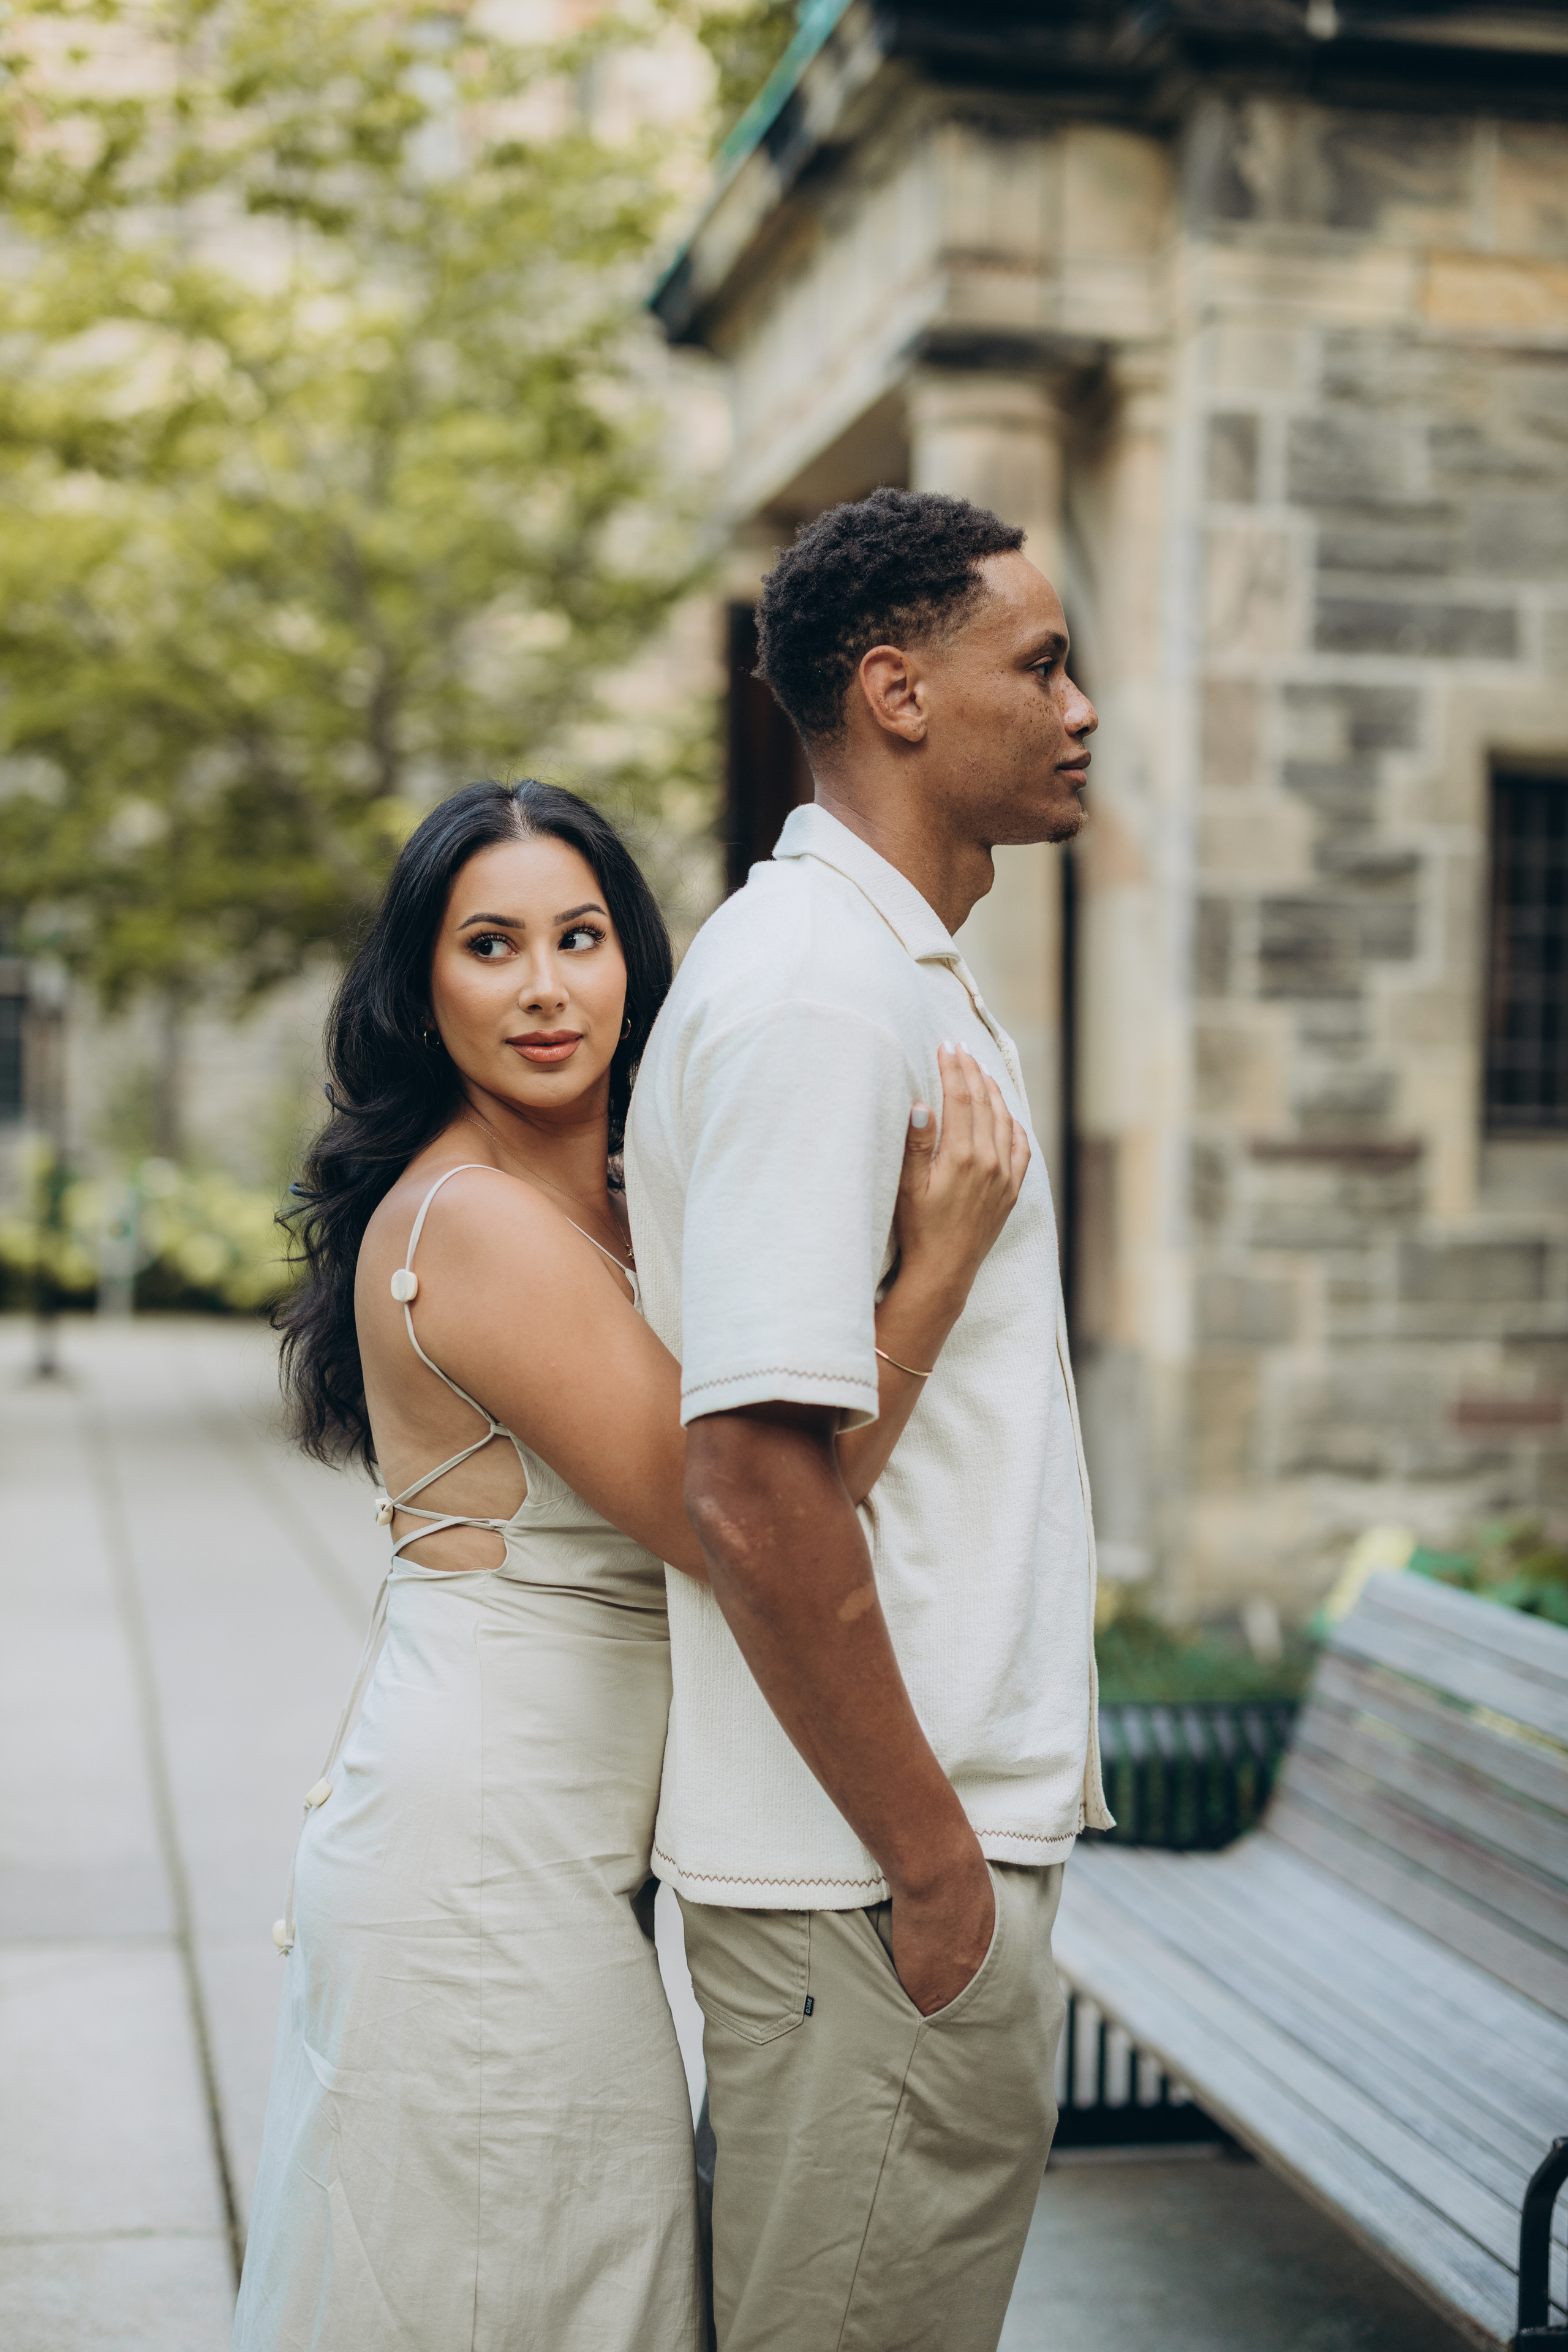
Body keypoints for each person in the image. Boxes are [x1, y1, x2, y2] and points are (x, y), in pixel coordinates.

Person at [233, 776, 1030, 2351]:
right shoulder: (469, 1220)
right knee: (530, 2293)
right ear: (420, 986)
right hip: (482, 1862)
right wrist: (932, 1274)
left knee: (555, 2280)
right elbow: (739, 1519)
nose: (544, 987)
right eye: (490, 946)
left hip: (545, 1853)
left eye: (580, 937)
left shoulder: (603, 1202)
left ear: (631, 958)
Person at [624, 488, 1112, 2352]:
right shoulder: (822, 996)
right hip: (871, 1882)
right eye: (1043, 663)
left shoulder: (885, 968)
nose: (1081, 707)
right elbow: (751, 1485)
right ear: (897, 693)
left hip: (893, 1873)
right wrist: (933, 1867)